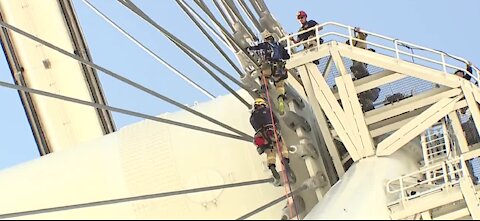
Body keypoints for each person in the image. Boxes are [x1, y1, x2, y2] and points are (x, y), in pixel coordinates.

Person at [250, 98, 295, 184]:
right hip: (270, 130)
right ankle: (285, 160)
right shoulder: (267, 110)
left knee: (270, 152)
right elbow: (275, 120)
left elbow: (255, 126)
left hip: (261, 136)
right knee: (281, 145)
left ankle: (271, 166)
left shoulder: (252, 117)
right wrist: (278, 128)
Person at [246, 31, 290, 114]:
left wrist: (249, 48)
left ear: (265, 39)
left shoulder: (266, 44)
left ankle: (264, 87)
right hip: (280, 68)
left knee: (264, 76)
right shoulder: (279, 45)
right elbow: (287, 56)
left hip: (269, 66)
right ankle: (280, 97)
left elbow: (257, 47)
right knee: (280, 85)